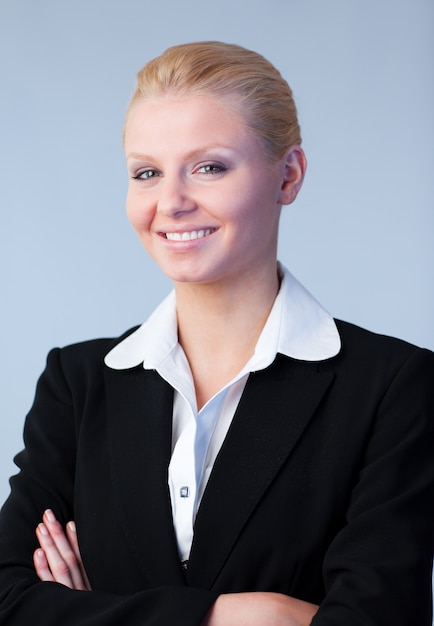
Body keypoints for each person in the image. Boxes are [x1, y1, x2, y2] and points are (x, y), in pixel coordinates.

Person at [0, 41, 433, 626]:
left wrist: (90, 613)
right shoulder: (78, 386)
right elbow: (7, 599)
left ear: (289, 176)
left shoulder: (394, 388)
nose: (171, 202)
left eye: (209, 167)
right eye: (146, 172)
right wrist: (242, 615)